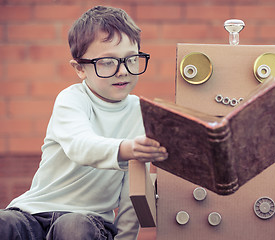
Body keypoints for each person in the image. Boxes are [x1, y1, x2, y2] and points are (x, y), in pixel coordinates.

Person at [0, 5, 168, 240]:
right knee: (4, 222)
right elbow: (81, 145)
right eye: (108, 62)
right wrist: (125, 149)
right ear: (80, 68)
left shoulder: (139, 113)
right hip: (35, 212)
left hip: (88, 220)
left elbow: (133, 192)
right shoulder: (71, 99)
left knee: (73, 226)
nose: (122, 71)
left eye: (131, 59)